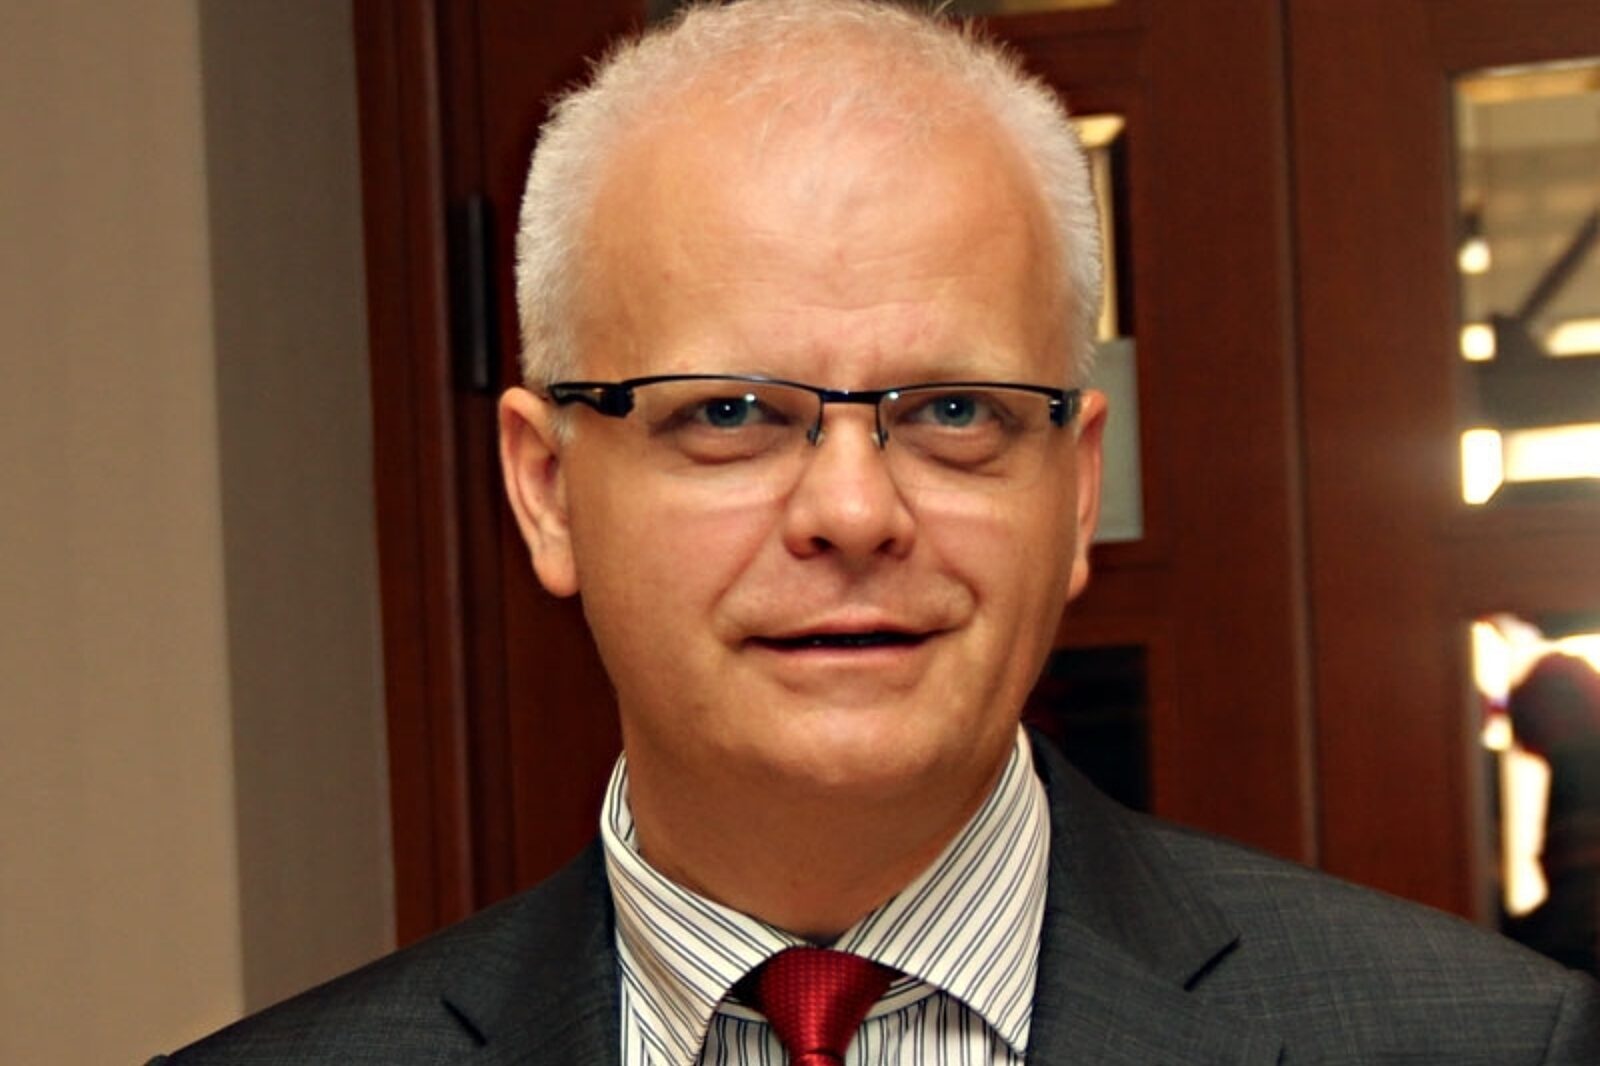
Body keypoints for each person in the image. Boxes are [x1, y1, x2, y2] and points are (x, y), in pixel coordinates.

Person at [154, 1, 1599, 1062]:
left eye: (955, 409)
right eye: (728, 412)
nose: (853, 512)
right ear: (545, 488)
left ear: (1076, 487)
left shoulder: (1485, 1044)